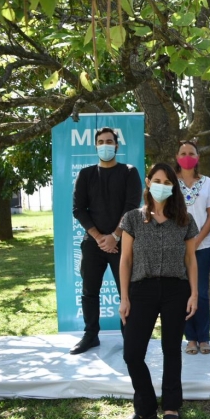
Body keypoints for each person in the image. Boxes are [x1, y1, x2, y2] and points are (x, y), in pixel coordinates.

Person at [118, 163, 199, 419]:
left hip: (176, 289)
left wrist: (194, 294)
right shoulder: (132, 218)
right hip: (141, 290)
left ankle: (171, 405)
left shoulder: (184, 220)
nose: (161, 186)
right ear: (148, 182)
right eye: (157, 180)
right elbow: (126, 260)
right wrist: (125, 297)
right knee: (132, 352)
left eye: (167, 181)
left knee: (171, 350)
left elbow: (191, 259)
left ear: (173, 187)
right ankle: (145, 407)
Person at [71, 127, 142, 354]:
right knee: (89, 291)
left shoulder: (129, 172)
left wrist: (115, 236)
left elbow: (132, 207)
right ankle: (91, 335)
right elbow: (79, 209)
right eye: (101, 141)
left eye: (109, 141)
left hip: (123, 242)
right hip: (94, 243)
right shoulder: (86, 175)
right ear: (95, 146)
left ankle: (130, 336)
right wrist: (100, 237)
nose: (105, 145)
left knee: (127, 292)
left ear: (117, 145)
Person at [175, 140, 210, 355]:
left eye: (191, 152)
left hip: (204, 246)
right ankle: (190, 338)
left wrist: (197, 240)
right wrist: (184, 242)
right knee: (182, 292)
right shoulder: (170, 183)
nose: (187, 156)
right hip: (177, 246)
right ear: (177, 158)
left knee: (200, 292)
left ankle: (204, 338)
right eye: (182, 153)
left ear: (197, 157)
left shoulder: (209, 183)